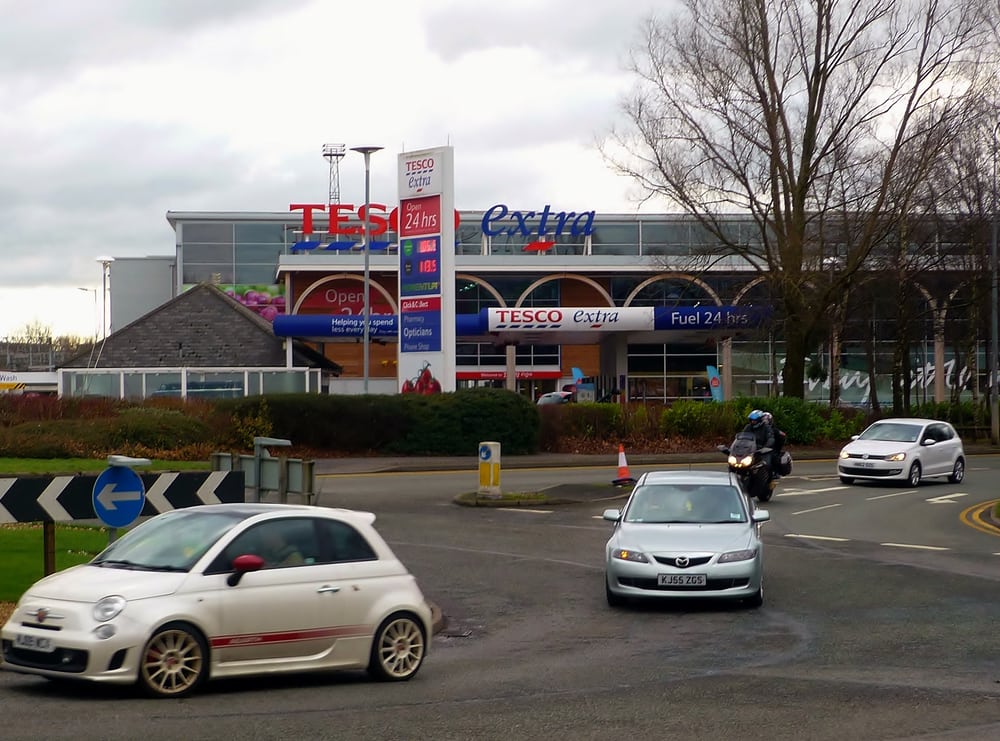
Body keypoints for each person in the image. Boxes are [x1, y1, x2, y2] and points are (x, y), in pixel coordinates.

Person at [744, 409, 777, 479]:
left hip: (762, 450)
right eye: (751, 420)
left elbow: (770, 438)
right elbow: (742, 436)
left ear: (759, 420)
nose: (753, 422)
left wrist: (766, 446)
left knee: (767, 464)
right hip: (749, 448)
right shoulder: (748, 427)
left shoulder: (766, 427)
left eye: (755, 420)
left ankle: (769, 476)